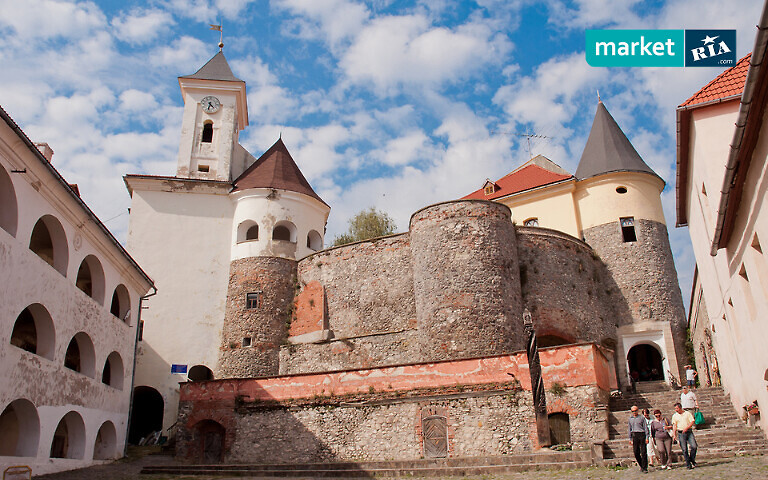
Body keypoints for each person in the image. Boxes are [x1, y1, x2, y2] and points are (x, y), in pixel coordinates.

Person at [672, 402, 698, 469]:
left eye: (677, 408)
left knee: (694, 446)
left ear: (680, 408)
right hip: (681, 433)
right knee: (684, 449)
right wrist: (674, 434)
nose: (676, 410)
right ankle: (688, 464)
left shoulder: (687, 413)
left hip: (689, 432)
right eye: (675, 409)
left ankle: (692, 459)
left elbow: (692, 421)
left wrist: (686, 428)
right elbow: (674, 425)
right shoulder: (675, 416)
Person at [628, 405, 649, 473]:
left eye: (635, 410)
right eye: (633, 411)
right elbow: (629, 429)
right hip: (635, 435)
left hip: (641, 434)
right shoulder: (630, 419)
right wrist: (630, 439)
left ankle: (645, 467)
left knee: (643, 452)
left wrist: (647, 437)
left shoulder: (642, 418)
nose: (634, 412)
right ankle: (641, 465)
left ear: (638, 410)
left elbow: (645, 427)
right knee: (636, 452)